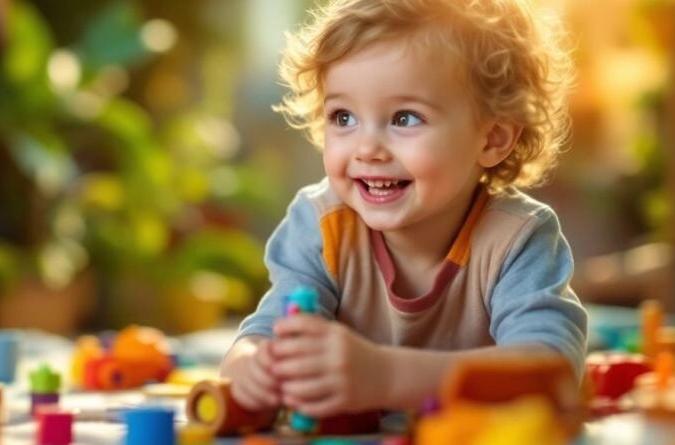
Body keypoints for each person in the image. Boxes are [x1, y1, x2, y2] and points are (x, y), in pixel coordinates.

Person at [220, 0, 588, 418]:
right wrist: (255, 368)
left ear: (493, 138)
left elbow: (552, 373)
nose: (367, 149)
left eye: (406, 118)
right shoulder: (321, 225)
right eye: (343, 117)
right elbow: (256, 342)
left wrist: (388, 377)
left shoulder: (518, 238)